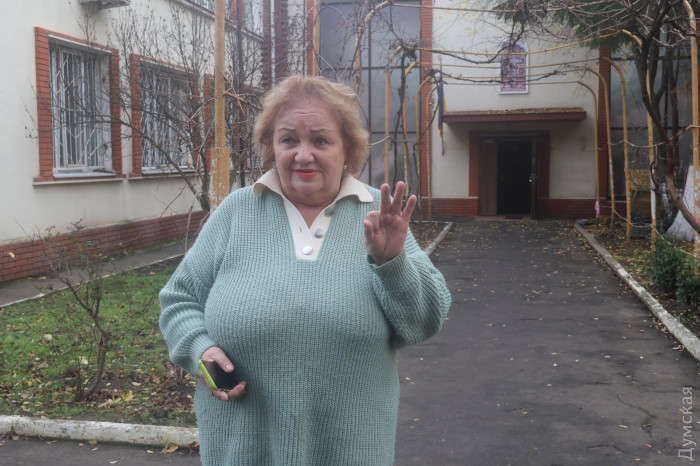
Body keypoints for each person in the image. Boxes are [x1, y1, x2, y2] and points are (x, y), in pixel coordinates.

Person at [159, 74, 451, 465]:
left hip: (350, 452)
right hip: (243, 450)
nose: (303, 155)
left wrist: (391, 264)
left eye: (320, 140)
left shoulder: (379, 217)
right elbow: (179, 299)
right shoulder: (237, 212)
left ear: (347, 148)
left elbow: (425, 321)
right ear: (272, 146)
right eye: (288, 140)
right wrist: (200, 348)